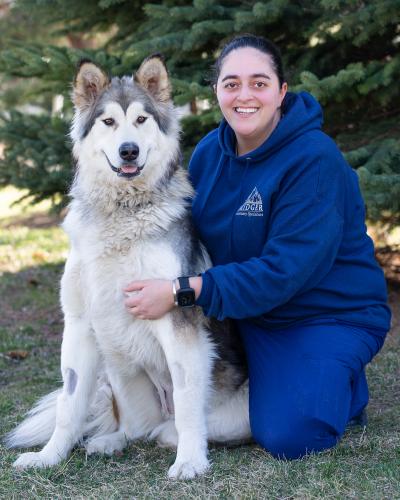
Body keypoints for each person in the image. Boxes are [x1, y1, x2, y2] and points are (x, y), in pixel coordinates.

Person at [123, 34, 391, 459]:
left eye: (259, 83)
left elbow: (286, 270)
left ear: (281, 91)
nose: (244, 95)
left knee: (291, 434)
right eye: (231, 84)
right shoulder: (210, 153)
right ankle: (287, 376)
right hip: (242, 314)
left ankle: (343, 385)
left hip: (323, 315)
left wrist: (181, 290)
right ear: (217, 92)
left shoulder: (314, 159)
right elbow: (187, 233)